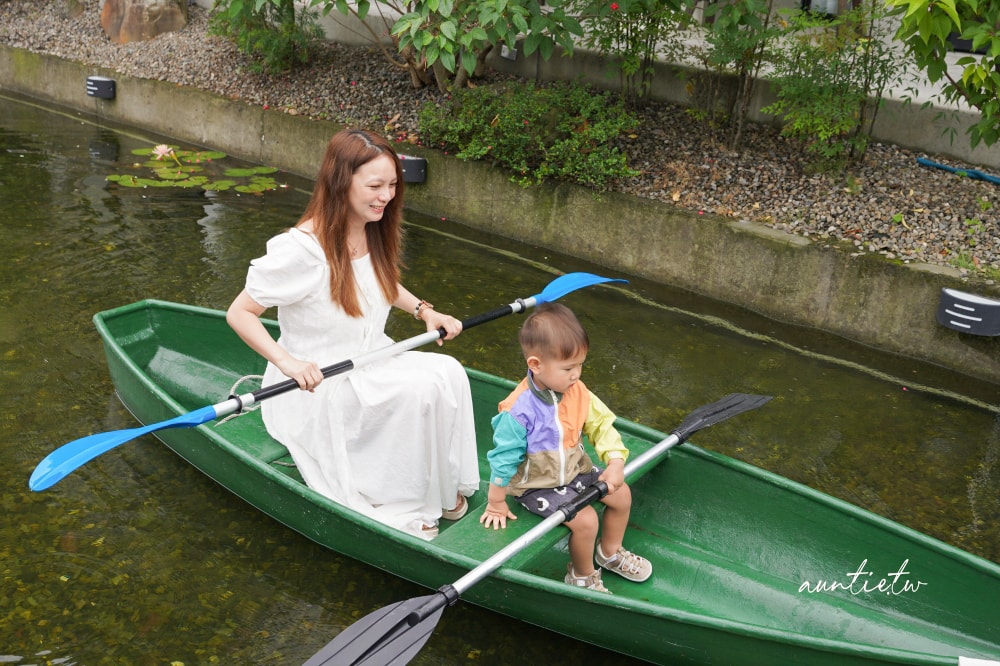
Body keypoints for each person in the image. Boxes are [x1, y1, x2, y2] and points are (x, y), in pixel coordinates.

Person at [227, 128, 480, 540]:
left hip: (370, 357)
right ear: (341, 183)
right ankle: (401, 492)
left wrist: (424, 311)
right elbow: (240, 313)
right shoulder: (301, 250)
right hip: (317, 383)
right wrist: (288, 363)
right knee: (417, 391)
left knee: (448, 372)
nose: (386, 196)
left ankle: (438, 486)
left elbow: (377, 281)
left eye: (393, 185)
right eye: (375, 186)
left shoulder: (371, 226)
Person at [479, 303, 652, 593]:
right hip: (536, 484)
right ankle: (582, 575)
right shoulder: (518, 411)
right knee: (584, 521)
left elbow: (602, 426)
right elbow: (503, 459)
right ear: (536, 365)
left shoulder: (578, 391)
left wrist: (615, 461)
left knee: (622, 494)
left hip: (573, 470)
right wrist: (496, 500)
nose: (576, 374)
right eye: (568, 368)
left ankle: (609, 552)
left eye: (581, 364)